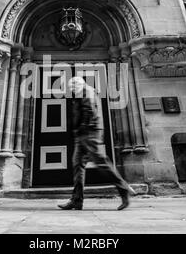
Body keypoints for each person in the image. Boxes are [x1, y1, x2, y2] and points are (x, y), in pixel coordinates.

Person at [58, 76, 135, 211]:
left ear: (78, 84)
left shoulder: (87, 92)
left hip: (89, 133)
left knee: (102, 163)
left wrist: (83, 130)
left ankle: (124, 189)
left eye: (72, 86)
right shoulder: (81, 93)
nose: (70, 89)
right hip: (83, 134)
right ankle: (76, 200)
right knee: (78, 166)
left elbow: (90, 112)